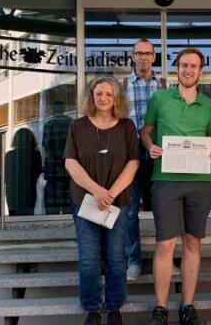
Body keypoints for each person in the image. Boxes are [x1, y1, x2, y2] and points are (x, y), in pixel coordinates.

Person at [140, 48, 211, 325]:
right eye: (184, 65)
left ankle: (187, 306)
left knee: (192, 242)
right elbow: (146, 131)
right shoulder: (160, 98)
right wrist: (150, 147)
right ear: (177, 68)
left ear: (201, 71)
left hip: (199, 183)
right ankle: (161, 308)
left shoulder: (210, 106)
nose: (188, 70)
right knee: (164, 244)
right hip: (165, 180)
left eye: (194, 66)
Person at [64, 76, 140, 325]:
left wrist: (112, 193)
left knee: (117, 256)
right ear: (91, 96)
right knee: (88, 256)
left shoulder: (127, 126)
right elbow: (71, 163)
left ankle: (115, 307)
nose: (104, 98)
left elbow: (133, 162)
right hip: (85, 201)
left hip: (118, 201)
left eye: (109, 94)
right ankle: (93, 308)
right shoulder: (78, 126)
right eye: (99, 93)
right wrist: (97, 191)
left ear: (116, 97)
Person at [122, 38, 169, 281]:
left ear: (153, 57)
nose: (143, 57)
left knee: (165, 207)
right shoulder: (120, 86)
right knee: (129, 212)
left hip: (158, 153)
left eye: (147, 53)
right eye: (138, 53)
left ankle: (167, 258)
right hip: (130, 154)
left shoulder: (164, 85)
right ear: (132, 57)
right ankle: (134, 260)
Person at [42, 100, 73, 214]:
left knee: (52, 202)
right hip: (70, 168)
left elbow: (47, 147)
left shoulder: (49, 124)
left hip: (53, 169)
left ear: (53, 110)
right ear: (64, 109)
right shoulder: (72, 123)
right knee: (68, 200)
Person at [5, 128, 43, 216]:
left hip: (12, 192)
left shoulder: (9, 155)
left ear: (15, 140)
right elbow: (38, 172)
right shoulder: (36, 154)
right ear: (31, 139)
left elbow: (4, 175)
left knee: (13, 217)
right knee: (28, 217)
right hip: (29, 191)